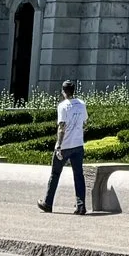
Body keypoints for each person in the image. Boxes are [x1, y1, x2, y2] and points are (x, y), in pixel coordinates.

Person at [39, 80, 89, 215]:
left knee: (55, 174)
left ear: (63, 91)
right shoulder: (81, 104)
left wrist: (58, 145)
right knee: (78, 175)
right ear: (74, 91)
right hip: (78, 144)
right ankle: (81, 205)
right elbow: (85, 122)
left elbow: (61, 127)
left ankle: (48, 203)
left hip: (65, 146)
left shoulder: (63, 106)